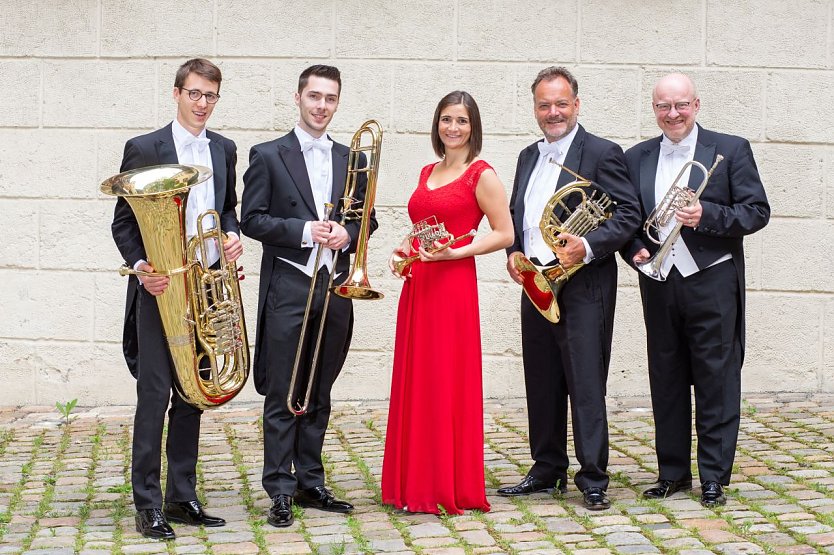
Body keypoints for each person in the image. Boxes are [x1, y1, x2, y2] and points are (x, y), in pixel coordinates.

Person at [621, 73, 770, 507]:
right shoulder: (636, 157)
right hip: (660, 280)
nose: (673, 114)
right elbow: (629, 224)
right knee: (665, 377)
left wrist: (706, 213)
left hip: (712, 280)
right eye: (663, 107)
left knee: (715, 378)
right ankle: (672, 473)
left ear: (696, 105)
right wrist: (634, 252)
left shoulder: (730, 149)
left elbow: (756, 211)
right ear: (654, 110)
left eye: (680, 105)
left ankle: (713, 476)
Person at [499, 66, 641, 510]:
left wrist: (588, 244)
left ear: (576, 104)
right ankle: (547, 468)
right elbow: (518, 211)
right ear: (535, 108)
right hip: (537, 279)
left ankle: (594, 477)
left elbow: (628, 213)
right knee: (540, 379)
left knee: (584, 381)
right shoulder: (528, 156)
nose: (553, 112)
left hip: (584, 285)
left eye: (561, 103)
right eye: (545, 105)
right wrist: (516, 252)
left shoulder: (602, 151)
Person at [110, 58, 241, 539]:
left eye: (211, 96)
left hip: (205, 285)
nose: (202, 104)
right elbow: (124, 223)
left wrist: (230, 236)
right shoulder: (145, 147)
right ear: (177, 93)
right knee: (155, 394)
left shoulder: (225, 149)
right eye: (195, 94)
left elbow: (227, 211)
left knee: (193, 394)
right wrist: (143, 268)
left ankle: (181, 495)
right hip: (160, 285)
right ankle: (147, 504)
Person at [240, 64, 376, 528]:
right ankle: (279, 487)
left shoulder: (351, 158)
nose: (322, 106)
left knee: (320, 389)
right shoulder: (268, 154)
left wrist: (346, 231)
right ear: (298, 98)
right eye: (314, 96)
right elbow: (251, 219)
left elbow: (367, 220)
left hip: (335, 284)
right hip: (290, 285)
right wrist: (303, 230)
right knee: (283, 390)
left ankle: (310, 481)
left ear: (338, 102)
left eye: (330, 98)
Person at [381, 91, 513, 515]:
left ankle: (444, 482)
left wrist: (457, 253)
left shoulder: (482, 174)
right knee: (418, 378)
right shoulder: (428, 169)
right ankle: (412, 480)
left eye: (461, 120)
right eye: (445, 120)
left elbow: (504, 233)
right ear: (436, 124)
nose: (452, 128)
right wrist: (405, 247)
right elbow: (422, 227)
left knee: (444, 379)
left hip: (452, 285)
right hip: (420, 284)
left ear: (473, 126)